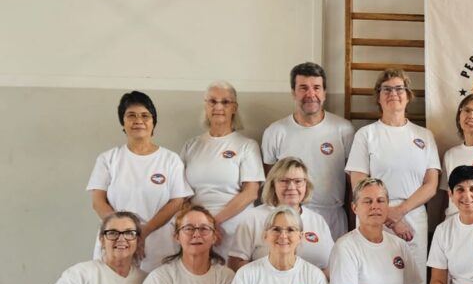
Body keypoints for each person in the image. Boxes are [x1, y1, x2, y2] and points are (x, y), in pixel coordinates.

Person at [346, 69, 440, 284]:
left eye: (399, 89)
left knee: (413, 283)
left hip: (413, 215)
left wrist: (400, 212)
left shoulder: (424, 136)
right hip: (373, 216)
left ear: (408, 96)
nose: (393, 94)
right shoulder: (366, 135)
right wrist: (388, 216)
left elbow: (431, 184)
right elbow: (358, 183)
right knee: (375, 282)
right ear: (378, 97)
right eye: (386, 89)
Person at [87, 91, 192, 272]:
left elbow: (177, 202)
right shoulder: (108, 159)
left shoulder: (170, 159)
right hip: (116, 243)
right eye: (131, 116)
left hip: (159, 244)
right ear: (123, 122)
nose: (138, 121)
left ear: (153, 122)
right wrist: (125, 233)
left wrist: (143, 232)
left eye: (145, 116)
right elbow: (98, 202)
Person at [262, 62, 355, 239]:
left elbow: (352, 185)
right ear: (293, 92)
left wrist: (353, 224)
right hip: (289, 219)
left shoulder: (343, 130)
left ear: (324, 92)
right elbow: (270, 184)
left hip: (332, 217)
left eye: (316, 88)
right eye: (303, 88)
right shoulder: (275, 132)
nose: (311, 94)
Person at [180, 81, 264, 256]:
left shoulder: (247, 146)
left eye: (225, 102)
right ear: (206, 106)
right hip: (196, 230)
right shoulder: (191, 146)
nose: (218, 107)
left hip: (234, 229)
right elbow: (181, 194)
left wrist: (213, 223)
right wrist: (198, 226)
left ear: (234, 108)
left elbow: (250, 193)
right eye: (212, 101)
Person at [228, 157, 333, 273]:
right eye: (284, 181)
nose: (291, 187)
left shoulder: (318, 220)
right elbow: (236, 262)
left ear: (306, 185)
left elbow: (331, 264)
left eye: (298, 181)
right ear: (273, 185)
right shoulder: (252, 218)